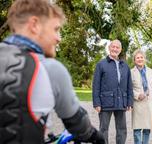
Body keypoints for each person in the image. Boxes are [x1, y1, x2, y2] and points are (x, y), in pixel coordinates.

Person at [0, 0, 104, 143]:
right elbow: (78, 124)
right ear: (34, 25)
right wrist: (97, 137)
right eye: (55, 29)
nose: (58, 38)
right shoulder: (49, 68)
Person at [92, 39, 133, 144]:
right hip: (105, 102)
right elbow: (96, 85)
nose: (115, 49)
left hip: (121, 102)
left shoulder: (125, 66)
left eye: (117, 47)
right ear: (109, 48)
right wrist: (96, 103)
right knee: (103, 129)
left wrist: (129, 102)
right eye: (113, 46)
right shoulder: (101, 64)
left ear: (120, 50)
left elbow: (129, 86)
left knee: (122, 129)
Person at [131, 49, 152, 144]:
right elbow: (128, 88)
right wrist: (136, 95)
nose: (140, 59)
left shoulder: (150, 71)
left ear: (144, 59)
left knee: (147, 129)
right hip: (138, 104)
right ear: (134, 60)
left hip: (149, 103)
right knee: (137, 129)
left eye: (141, 57)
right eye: (138, 58)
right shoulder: (131, 72)